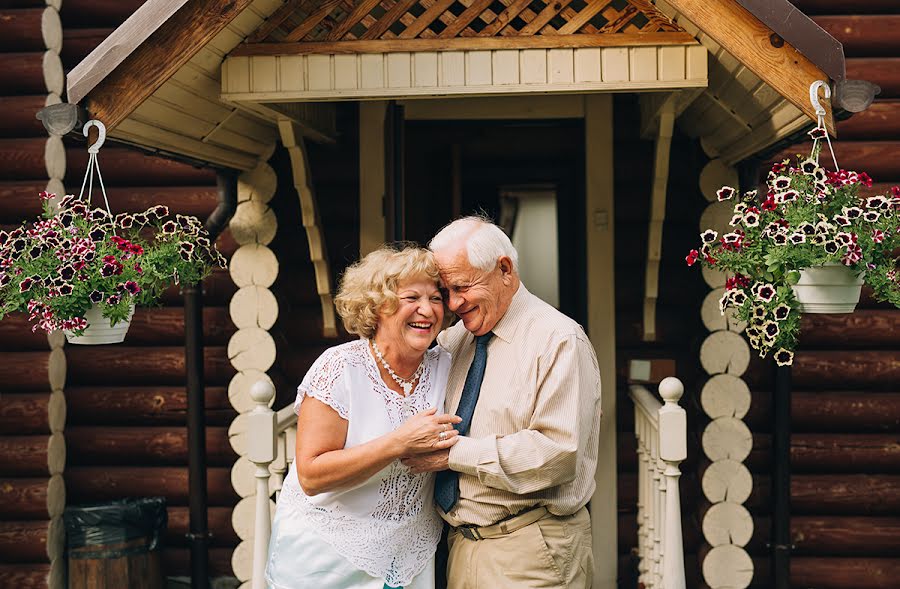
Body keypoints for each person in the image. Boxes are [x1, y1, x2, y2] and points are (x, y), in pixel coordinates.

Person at [404, 217, 602, 589]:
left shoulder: (558, 340)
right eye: (446, 290)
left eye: (462, 286)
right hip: (462, 547)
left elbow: (557, 453)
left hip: (531, 549)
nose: (453, 303)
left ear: (505, 270)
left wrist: (452, 454)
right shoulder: (454, 341)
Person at [266, 245, 462, 589]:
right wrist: (398, 443)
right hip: (326, 557)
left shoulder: (448, 366)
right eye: (411, 297)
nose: (427, 310)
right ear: (378, 306)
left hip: (407, 558)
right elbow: (311, 475)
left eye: (435, 298)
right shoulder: (340, 368)